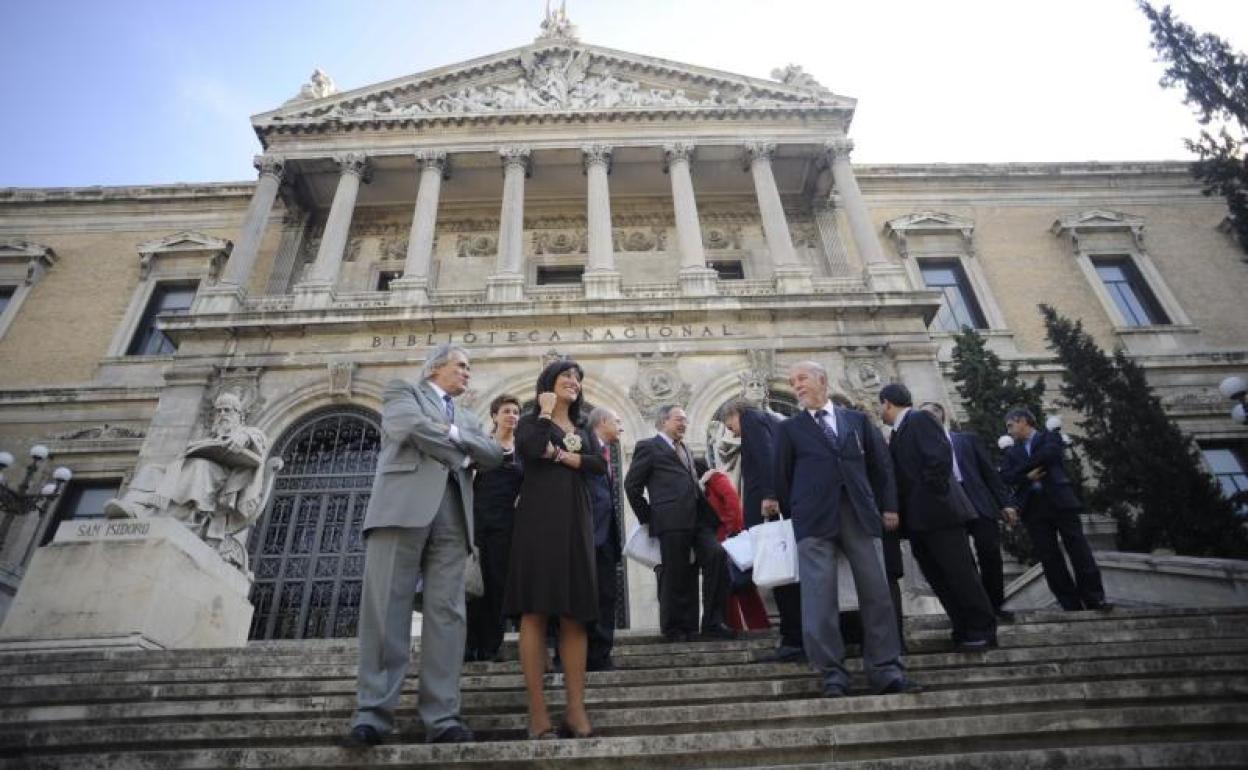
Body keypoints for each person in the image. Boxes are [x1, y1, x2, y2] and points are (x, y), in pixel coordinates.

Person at [348, 344, 503, 747]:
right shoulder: (403, 391)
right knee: (386, 609)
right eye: (462, 366)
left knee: (448, 616)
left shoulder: (469, 416)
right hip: (400, 509)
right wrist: (460, 446)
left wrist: (460, 439)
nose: (468, 373)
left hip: (453, 517)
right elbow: (406, 427)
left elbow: (492, 454)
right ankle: (372, 716)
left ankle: (443, 716)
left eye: (470, 367)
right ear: (436, 368)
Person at [773, 361, 921, 698]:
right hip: (814, 521)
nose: (796, 385)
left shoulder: (856, 420)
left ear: (822, 380)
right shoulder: (789, 429)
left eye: (802, 378)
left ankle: (885, 670)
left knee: (877, 593)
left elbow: (880, 466)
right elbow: (781, 479)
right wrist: (799, 509)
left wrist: (888, 506)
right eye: (793, 381)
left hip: (859, 514)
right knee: (818, 599)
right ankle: (832, 674)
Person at [503, 359, 606, 740]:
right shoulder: (531, 421)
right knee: (535, 611)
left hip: (575, 519)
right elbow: (529, 448)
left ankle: (576, 711)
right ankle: (538, 712)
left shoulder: (583, 426)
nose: (574, 383)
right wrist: (545, 412)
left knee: (575, 614)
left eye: (578, 379)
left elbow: (598, 466)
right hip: (537, 521)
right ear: (548, 384)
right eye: (566, 377)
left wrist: (561, 456)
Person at [880, 383, 997, 652]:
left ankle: (982, 628)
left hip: (940, 515)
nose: (880, 411)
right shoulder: (898, 433)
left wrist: (928, 495)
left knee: (960, 573)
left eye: (881, 406)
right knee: (939, 577)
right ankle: (963, 627)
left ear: (887, 403)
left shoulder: (920, 419)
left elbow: (939, 458)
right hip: (919, 522)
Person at [624, 405, 734, 643]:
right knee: (677, 574)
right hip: (671, 520)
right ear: (664, 421)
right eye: (679, 419)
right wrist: (650, 518)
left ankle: (713, 623)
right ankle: (677, 628)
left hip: (699, 519)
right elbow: (631, 486)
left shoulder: (684, 447)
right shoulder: (648, 447)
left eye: (685, 420)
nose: (684, 424)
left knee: (716, 556)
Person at [1000, 407, 1111, 612]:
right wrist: (1027, 476)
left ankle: (1095, 598)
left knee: (1079, 550)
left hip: (1061, 502)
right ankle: (1070, 604)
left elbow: (1049, 456)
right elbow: (1005, 477)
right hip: (1033, 510)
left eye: (1011, 425)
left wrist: (1020, 471)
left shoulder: (1050, 438)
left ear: (1024, 421)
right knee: (1049, 559)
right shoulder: (1011, 451)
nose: (1009, 432)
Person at [919, 401, 1018, 622]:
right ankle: (980, 608)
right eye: (925, 413)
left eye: (934, 411)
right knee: (962, 560)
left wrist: (1006, 503)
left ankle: (996, 604)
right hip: (947, 504)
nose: (931, 416)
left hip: (977, 500)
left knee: (990, 552)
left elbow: (989, 472)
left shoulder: (967, 440)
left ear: (943, 414)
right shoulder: (922, 446)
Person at [720, 398, 800, 659]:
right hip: (780, 508)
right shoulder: (772, 420)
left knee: (780, 574)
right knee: (785, 575)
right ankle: (793, 634)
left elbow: (766, 456)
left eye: (728, 422)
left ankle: (793, 639)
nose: (730, 430)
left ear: (735, 413)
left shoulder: (752, 419)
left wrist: (769, 494)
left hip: (768, 509)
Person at [465, 394, 523, 663]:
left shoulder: (522, 450)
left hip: (507, 527)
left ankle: (491, 645)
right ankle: (468, 646)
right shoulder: (482, 445)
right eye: (507, 411)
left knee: (498, 585)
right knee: (472, 585)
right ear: (495, 416)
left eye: (516, 412)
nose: (512, 415)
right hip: (477, 522)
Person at [695, 457, 770, 631]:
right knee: (726, 588)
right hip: (717, 542)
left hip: (728, 540)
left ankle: (759, 626)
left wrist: (732, 529)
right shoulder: (701, 486)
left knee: (743, 585)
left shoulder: (715, 479)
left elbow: (732, 501)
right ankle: (733, 626)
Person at [585, 406, 624, 672]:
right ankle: (588, 654)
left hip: (606, 536)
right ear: (602, 422)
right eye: (617, 421)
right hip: (587, 535)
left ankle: (601, 653)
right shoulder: (585, 448)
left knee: (607, 595)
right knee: (590, 596)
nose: (621, 426)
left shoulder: (606, 452)